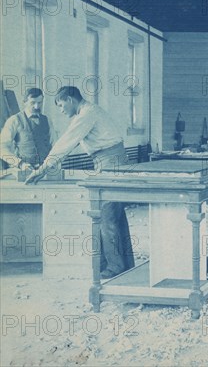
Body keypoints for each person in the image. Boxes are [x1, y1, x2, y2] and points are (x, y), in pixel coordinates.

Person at [25, 86, 135, 278]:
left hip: (110, 162)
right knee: (113, 214)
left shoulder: (87, 114)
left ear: (70, 99)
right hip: (109, 160)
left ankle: (115, 267)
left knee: (106, 215)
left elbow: (65, 143)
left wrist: (42, 169)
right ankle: (121, 263)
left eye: (61, 105)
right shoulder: (85, 113)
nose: (61, 110)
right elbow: (66, 143)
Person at [0, 87, 52, 171]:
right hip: (23, 170)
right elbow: (2, 147)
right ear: (25, 102)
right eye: (33, 103)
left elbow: (55, 144)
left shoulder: (47, 120)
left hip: (44, 170)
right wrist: (20, 163)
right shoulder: (14, 120)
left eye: (39, 103)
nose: (36, 106)